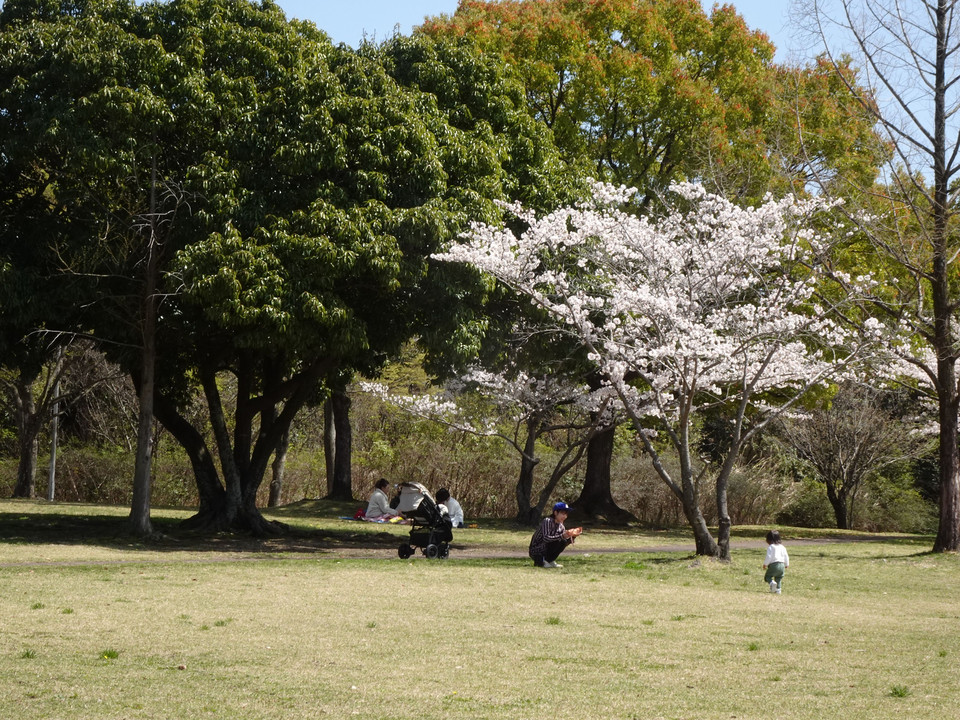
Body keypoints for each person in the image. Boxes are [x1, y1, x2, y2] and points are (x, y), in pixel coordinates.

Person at [529, 501, 582, 568]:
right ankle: (540, 561)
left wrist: (572, 536)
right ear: (555, 513)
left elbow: (562, 542)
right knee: (559, 540)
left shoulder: (561, 526)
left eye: (566, 514)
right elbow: (546, 538)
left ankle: (549, 560)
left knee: (563, 541)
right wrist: (562, 536)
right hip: (536, 550)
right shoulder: (547, 521)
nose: (565, 516)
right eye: (563, 513)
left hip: (547, 548)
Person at [763, 529, 789, 594]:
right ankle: (778, 590)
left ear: (768, 539)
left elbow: (769, 557)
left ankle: (772, 583)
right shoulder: (782, 547)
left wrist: (765, 564)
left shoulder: (771, 547)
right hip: (782, 565)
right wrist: (787, 564)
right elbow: (786, 556)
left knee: (768, 576)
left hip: (774, 565)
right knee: (779, 578)